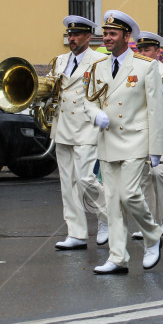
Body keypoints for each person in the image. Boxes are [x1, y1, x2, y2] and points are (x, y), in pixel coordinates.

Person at [83, 10, 163, 275]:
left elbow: (155, 110)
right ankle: (118, 257)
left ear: (126, 36)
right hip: (108, 141)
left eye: (112, 34)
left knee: (129, 194)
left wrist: (155, 150)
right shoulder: (98, 66)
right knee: (113, 202)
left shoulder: (145, 65)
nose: (107, 38)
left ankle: (152, 235)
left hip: (135, 139)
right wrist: (96, 115)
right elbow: (89, 100)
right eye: (105, 33)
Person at [50, 16, 109, 252]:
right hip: (63, 126)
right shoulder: (59, 61)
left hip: (86, 127)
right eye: (69, 34)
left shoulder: (100, 60)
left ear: (87, 37)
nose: (71, 39)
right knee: (68, 183)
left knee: (86, 179)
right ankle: (76, 233)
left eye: (76, 35)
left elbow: (105, 94)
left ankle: (109, 217)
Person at [130, 32, 163, 240]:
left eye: (147, 49)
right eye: (140, 49)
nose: (143, 53)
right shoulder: (131, 70)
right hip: (140, 129)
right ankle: (148, 222)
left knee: (160, 173)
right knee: (143, 178)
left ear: (158, 51)